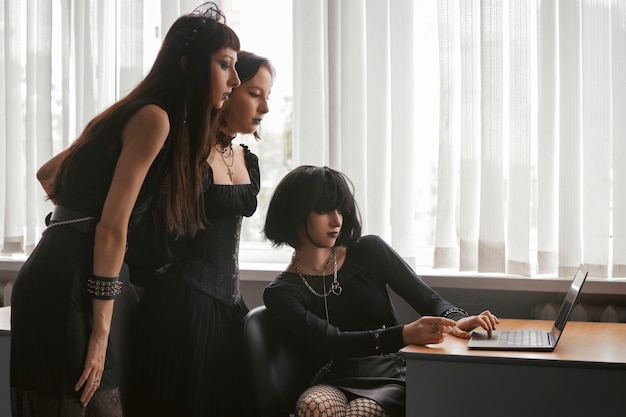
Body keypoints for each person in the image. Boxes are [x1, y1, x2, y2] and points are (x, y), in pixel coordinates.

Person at [9, 3, 241, 416]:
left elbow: (50, 174)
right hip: (70, 283)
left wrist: (71, 224)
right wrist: (100, 335)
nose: (235, 80)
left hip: (60, 271)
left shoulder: (137, 112)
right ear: (188, 65)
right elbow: (111, 231)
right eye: (225, 65)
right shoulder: (155, 119)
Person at [262, 166, 500, 417]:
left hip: (390, 372)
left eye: (340, 209)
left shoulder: (370, 251)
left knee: (357, 415)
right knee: (314, 407)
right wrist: (405, 333)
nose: (337, 220)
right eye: (324, 210)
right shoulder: (280, 293)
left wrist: (456, 319)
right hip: (333, 377)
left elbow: (428, 300)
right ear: (295, 215)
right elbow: (332, 341)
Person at [124, 50, 274, 417]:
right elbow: (144, 229)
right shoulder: (182, 151)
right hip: (181, 311)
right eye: (255, 93)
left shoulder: (246, 159)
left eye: (267, 96)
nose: (265, 107)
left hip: (229, 310)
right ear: (228, 89)